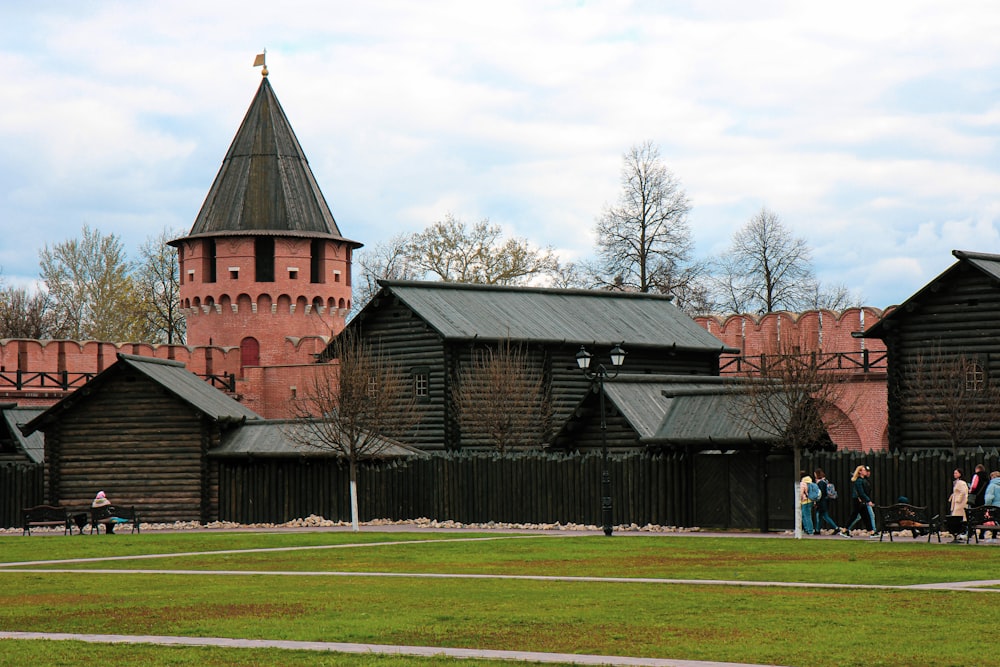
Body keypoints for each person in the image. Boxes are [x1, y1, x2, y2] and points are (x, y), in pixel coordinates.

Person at [813, 469, 848, 537]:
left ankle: (835, 527)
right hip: (825, 501)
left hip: (821, 502)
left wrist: (816, 502)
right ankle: (818, 529)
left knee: (823, 516)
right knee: (821, 516)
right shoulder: (825, 481)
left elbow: (821, 493)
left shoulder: (820, 483)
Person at [846, 465, 877, 538]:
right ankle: (872, 531)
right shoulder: (859, 480)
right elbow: (861, 492)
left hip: (862, 500)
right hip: (860, 500)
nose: (867, 472)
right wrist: (868, 500)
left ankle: (872, 531)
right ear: (860, 472)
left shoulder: (864, 480)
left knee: (863, 516)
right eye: (865, 470)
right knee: (862, 516)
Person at [968, 464, 989, 539]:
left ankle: (971, 532)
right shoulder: (987, 478)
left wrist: (970, 491)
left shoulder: (977, 476)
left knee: (973, 515)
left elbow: (973, 486)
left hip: (976, 499)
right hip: (983, 498)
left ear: (977, 469)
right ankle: (982, 533)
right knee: (982, 515)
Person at [948, 469, 969, 542]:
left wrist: (958, 499)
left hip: (960, 504)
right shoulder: (957, 482)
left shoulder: (961, 482)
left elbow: (964, 492)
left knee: (957, 517)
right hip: (957, 503)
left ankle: (960, 533)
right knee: (956, 517)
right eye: (954, 473)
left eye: (956, 473)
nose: (954, 474)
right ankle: (958, 534)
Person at [982, 471, 1000, 543]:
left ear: (992, 477)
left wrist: (987, 506)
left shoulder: (992, 485)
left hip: (995, 507)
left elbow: (989, 498)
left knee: (995, 519)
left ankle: (994, 536)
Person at [799, 472, 816, 537]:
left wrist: (799, 500)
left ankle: (809, 530)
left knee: (806, 515)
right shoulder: (811, 482)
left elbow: (801, 493)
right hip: (810, 500)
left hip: (804, 501)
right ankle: (808, 530)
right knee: (807, 515)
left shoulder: (803, 483)